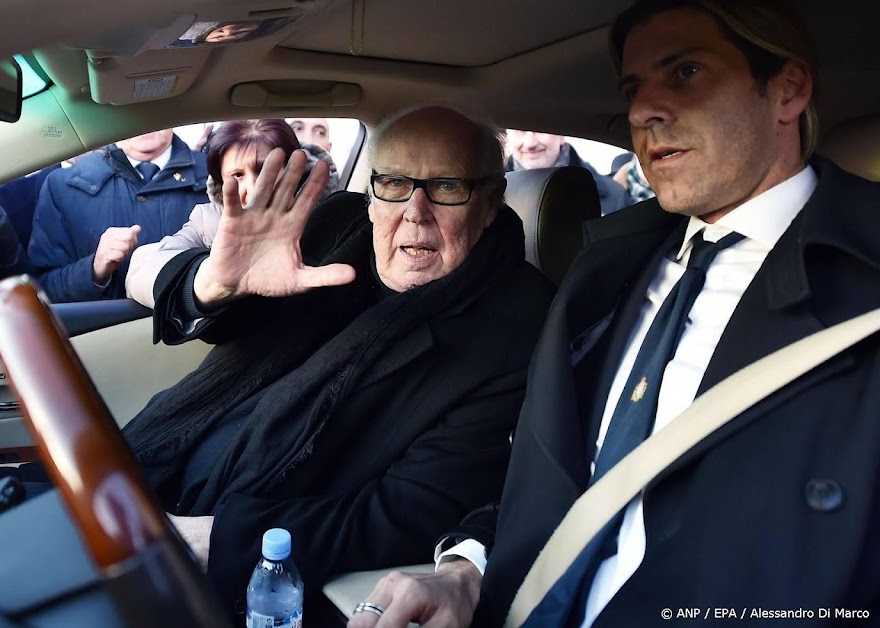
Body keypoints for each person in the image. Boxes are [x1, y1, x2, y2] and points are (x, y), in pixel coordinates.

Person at [350, 1, 880, 626]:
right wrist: (467, 573)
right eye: (632, 89)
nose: (641, 111)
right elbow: (555, 478)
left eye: (685, 73)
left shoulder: (862, 290)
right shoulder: (603, 273)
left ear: (787, 91)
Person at [121, 105, 555, 616]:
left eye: (446, 186)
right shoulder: (335, 224)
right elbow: (225, 321)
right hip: (147, 470)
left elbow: (407, 510)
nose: (415, 212)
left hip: (234, 561)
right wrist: (215, 287)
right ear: (372, 195)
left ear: (490, 200)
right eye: (394, 183)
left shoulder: (515, 325)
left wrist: (216, 541)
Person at [125, 118, 339, 308]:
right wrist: (208, 281)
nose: (253, 189)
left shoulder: (332, 218)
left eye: (265, 169)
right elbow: (141, 269)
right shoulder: (208, 221)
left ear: (297, 171)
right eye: (237, 175)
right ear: (220, 181)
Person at [26, 129, 209, 303]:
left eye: (152, 110)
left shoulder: (216, 174)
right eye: (131, 112)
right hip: (110, 324)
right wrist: (94, 269)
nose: (143, 120)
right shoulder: (62, 185)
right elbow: (43, 289)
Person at [505, 129, 631, 215]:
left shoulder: (614, 196)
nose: (530, 143)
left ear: (561, 135)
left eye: (540, 130)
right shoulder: (493, 195)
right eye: (519, 131)